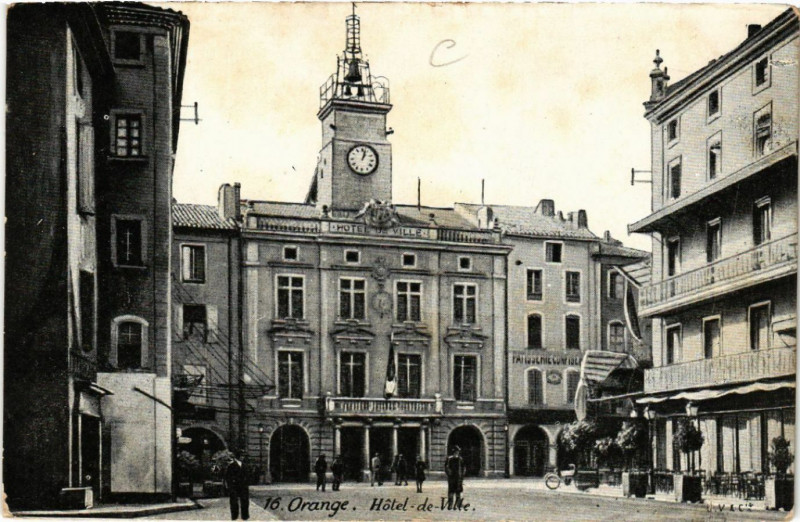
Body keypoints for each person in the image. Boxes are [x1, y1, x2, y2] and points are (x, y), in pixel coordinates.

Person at [224, 451, 250, 520]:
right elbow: (228, 477)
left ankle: (245, 516)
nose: (243, 457)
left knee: (245, 501)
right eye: (242, 456)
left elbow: (248, 475)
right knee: (234, 502)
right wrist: (230, 486)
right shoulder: (231, 466)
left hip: (243, 486)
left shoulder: (244, 465)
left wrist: (247, 482)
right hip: (234, 486)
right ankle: (234, 516)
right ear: (239, 457)